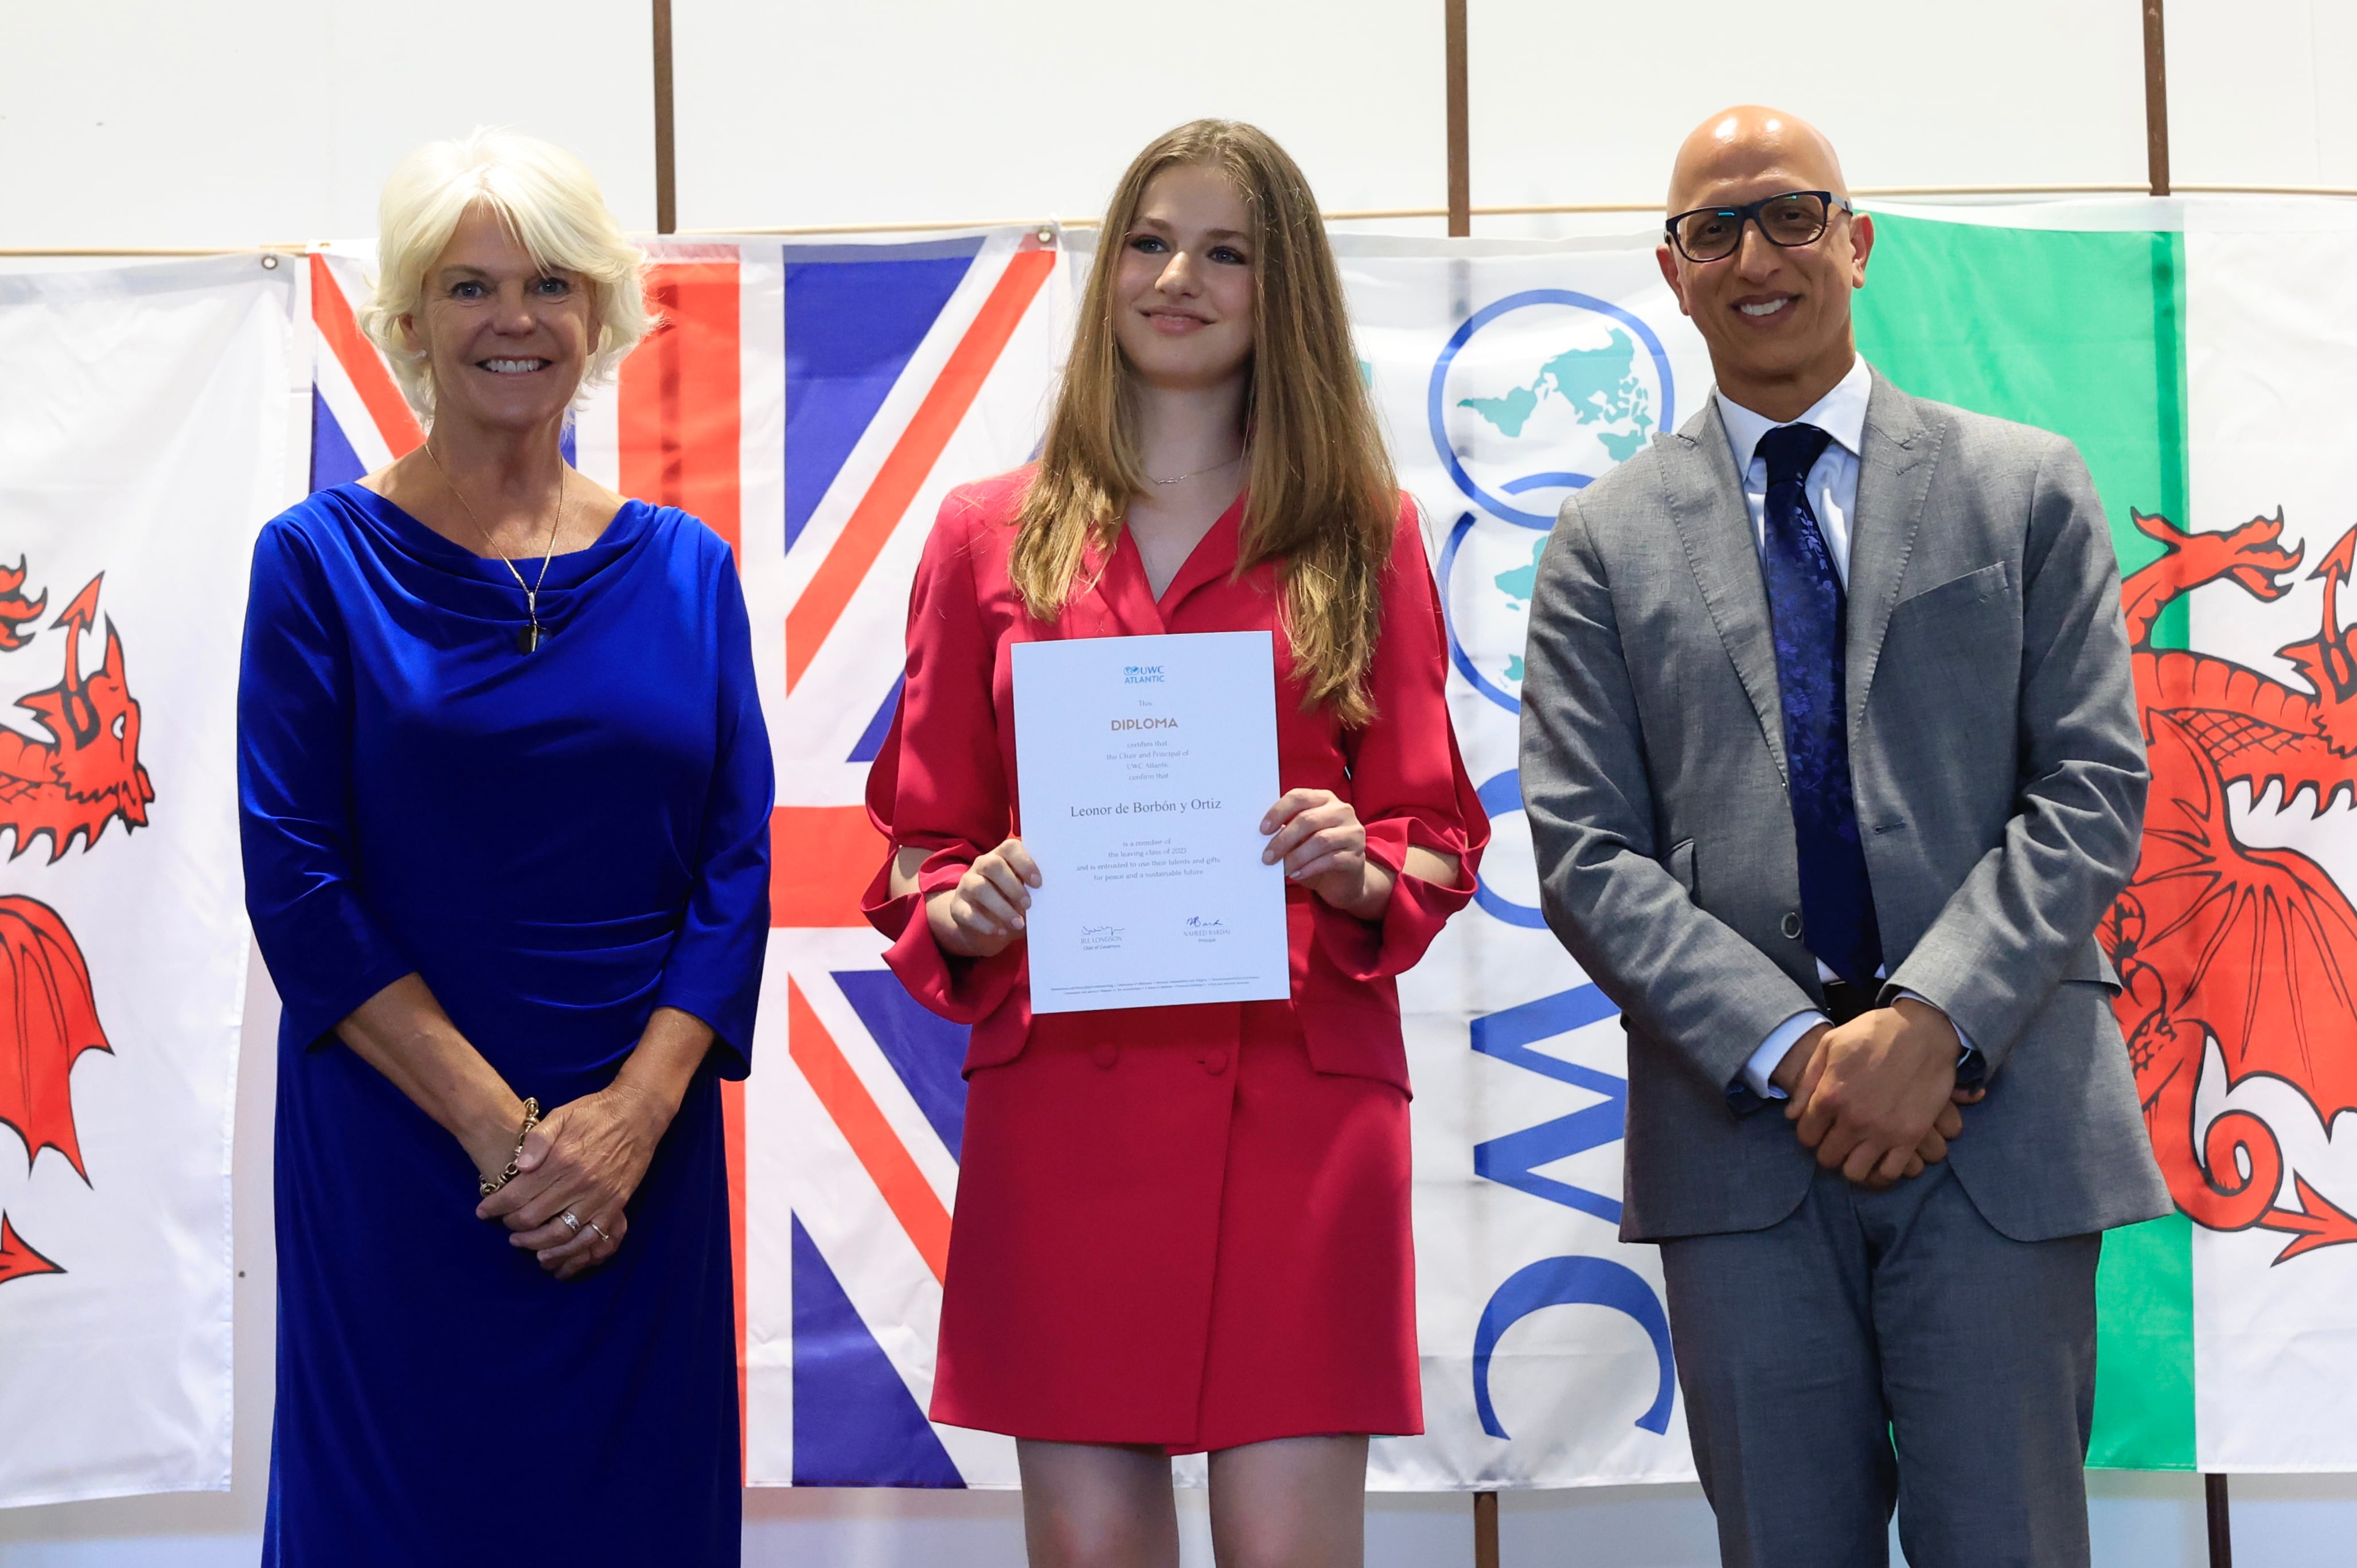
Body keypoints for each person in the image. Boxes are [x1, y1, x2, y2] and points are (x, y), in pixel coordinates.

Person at [1518, 105, 2169, 1567]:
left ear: (1858, 244)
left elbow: (2088, 787)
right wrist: (1807, 1055)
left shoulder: (2025, 486)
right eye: (1714, 230)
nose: (1757, 254)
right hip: (1741, 1147)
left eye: (1793, 215)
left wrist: (1932, 1023)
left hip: (1998, 1130)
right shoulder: (1604, 545)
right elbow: (1586, 852)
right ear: (1673, 274)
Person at [863, 119, 1486, 1568]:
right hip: (1069, 1103)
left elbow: (1439, 827)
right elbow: (920, 836)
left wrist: (1359, 857)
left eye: (1225, 252)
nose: (1176, 278)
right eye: (1149, 243)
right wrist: (967, 903)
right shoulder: (981, 536)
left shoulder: (1361, 529)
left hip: (1300, 1101)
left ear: (1287, 294)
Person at [239, 128, 770, 1565]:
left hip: (638, 1160)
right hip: (403, 1151)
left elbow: (735, 870)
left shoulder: (689, 570)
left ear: (602, 313)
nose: (513, 319)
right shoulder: (314, 563)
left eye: (547, 282)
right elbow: (297, 880)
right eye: (468, 287)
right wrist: (508, 1136)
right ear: (408, 323)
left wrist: (630, 1123)